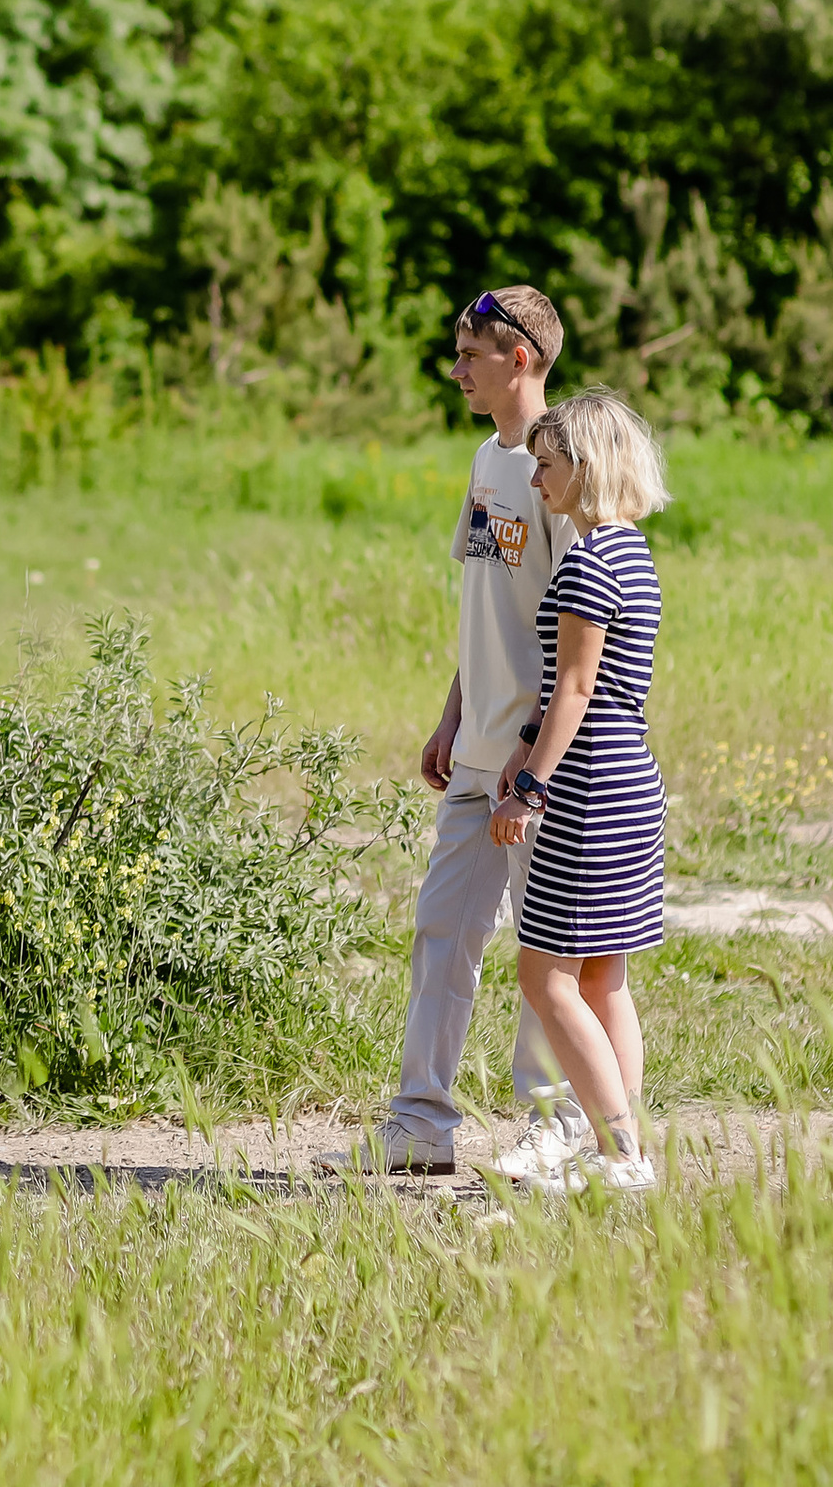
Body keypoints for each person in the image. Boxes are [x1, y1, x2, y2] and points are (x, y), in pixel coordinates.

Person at [319, 285, 590, 1177]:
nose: (455, 369)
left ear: (520, 358)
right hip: (475, 748)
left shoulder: (564, 471)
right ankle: (421, 1123)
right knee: (443, 929)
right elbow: (484, 599)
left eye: (468, 354)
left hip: (532, 759)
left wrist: (529, 749)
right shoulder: (484, 460)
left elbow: (571, 630)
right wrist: (451, 714)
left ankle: (551, 1123)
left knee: (544, 947)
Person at [489, 389, 672, 1195]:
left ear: (585, 468)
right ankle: (625, 1152)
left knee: (546, 978)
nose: (537, 481)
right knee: (604, 978)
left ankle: (621, 1158)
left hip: (590, 793)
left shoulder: (589, 560)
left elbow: (574, 686)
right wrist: (525, 744)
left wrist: (528, 787)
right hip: (632, 782)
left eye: (548, 465)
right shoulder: (633, 552)